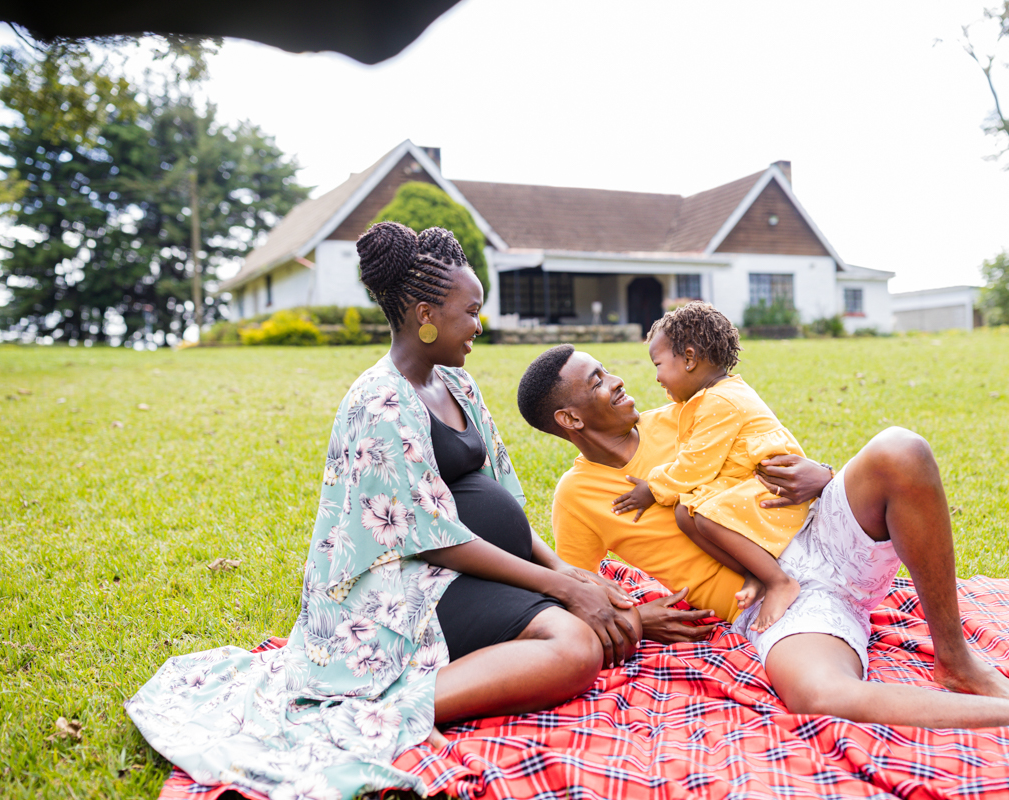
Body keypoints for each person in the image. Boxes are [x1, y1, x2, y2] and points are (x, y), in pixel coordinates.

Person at [127, 225, 640, 800]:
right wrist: (561, 588)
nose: (478, 324)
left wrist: (569, 577)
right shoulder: (379, 401)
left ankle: (547, 624)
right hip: (398, 589)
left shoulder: (457, 384)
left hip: (462, 576)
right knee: (574, 649)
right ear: (425, 313)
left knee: (599, 615)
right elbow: (426, 536)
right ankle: (389, 708)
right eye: (469, 311)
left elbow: (504, 496)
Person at [516, 345, 1009, 753]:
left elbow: (781, 462)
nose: (620, 383)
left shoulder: (689, 413)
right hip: (774, 607)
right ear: (570, 420)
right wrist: (639, 616)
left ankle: (957, 657)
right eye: (598, 380)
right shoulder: (577, 498)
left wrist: (827, 475)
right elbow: (583, 592)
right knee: (816, 694)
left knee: (899, 447)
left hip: (819, 535)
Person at [611, 302, 811, 631]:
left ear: (689, 358)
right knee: (686, 512)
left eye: (658, 364)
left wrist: (653, 487)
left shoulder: (722, 402)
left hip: (776, 495)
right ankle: (755, 572)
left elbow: (695, 467)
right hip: (747, 486)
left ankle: (778, 581)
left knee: (700, 512)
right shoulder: (713, 396)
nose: (658, 377)